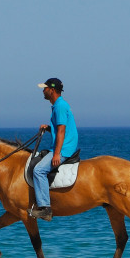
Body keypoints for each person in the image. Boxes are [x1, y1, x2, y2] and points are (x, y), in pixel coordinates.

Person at [30, 78, 79, 221]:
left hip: (64, 148)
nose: (43, 91)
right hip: (64, 145)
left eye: (44, 88)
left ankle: (45, 208)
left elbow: (62, 131)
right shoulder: (59, 105)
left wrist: (57, 154)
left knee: (39, 170)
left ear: (51, 90)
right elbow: (59, 129)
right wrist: (49, 128)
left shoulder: (60, 106)